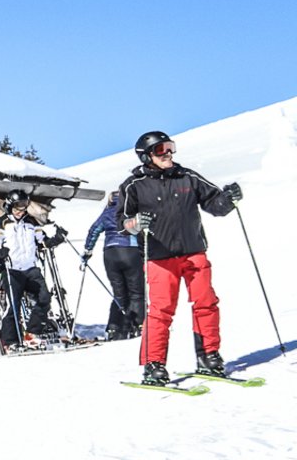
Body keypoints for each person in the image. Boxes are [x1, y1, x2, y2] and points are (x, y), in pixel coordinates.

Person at [118, 130, 241, 386]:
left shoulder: (187, 176)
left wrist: (228, 199)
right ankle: (154, 365)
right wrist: (135, 222)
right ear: (147, 156)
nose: (168, 154)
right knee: (162, 310)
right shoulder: (134, 185)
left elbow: (214, 202)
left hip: (194, 251)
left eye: (170, 147)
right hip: (160, 257)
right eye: (161, 150)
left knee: (206, 303)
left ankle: (208, 356)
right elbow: (121, 222)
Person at [0, 191, 65, 347]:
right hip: (11, 269)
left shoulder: (31, 223)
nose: (20, 212)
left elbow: (42, 242)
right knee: (13, 306)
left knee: (44, 298)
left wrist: (57, 238)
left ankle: (32, 332)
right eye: (17, 208)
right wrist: (0, 253)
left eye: (23, 208)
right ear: (9, 206)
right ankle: (10, 342)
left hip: (30, 268)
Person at [82, 191, 143, 340]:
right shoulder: (132, 210)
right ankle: (138, 324)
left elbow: (94, 229)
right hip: (130, 250)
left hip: (110, 253)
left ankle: (115, 328)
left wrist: (88, 251)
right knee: (136, 292)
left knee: (119, 293)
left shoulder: (107, 212)